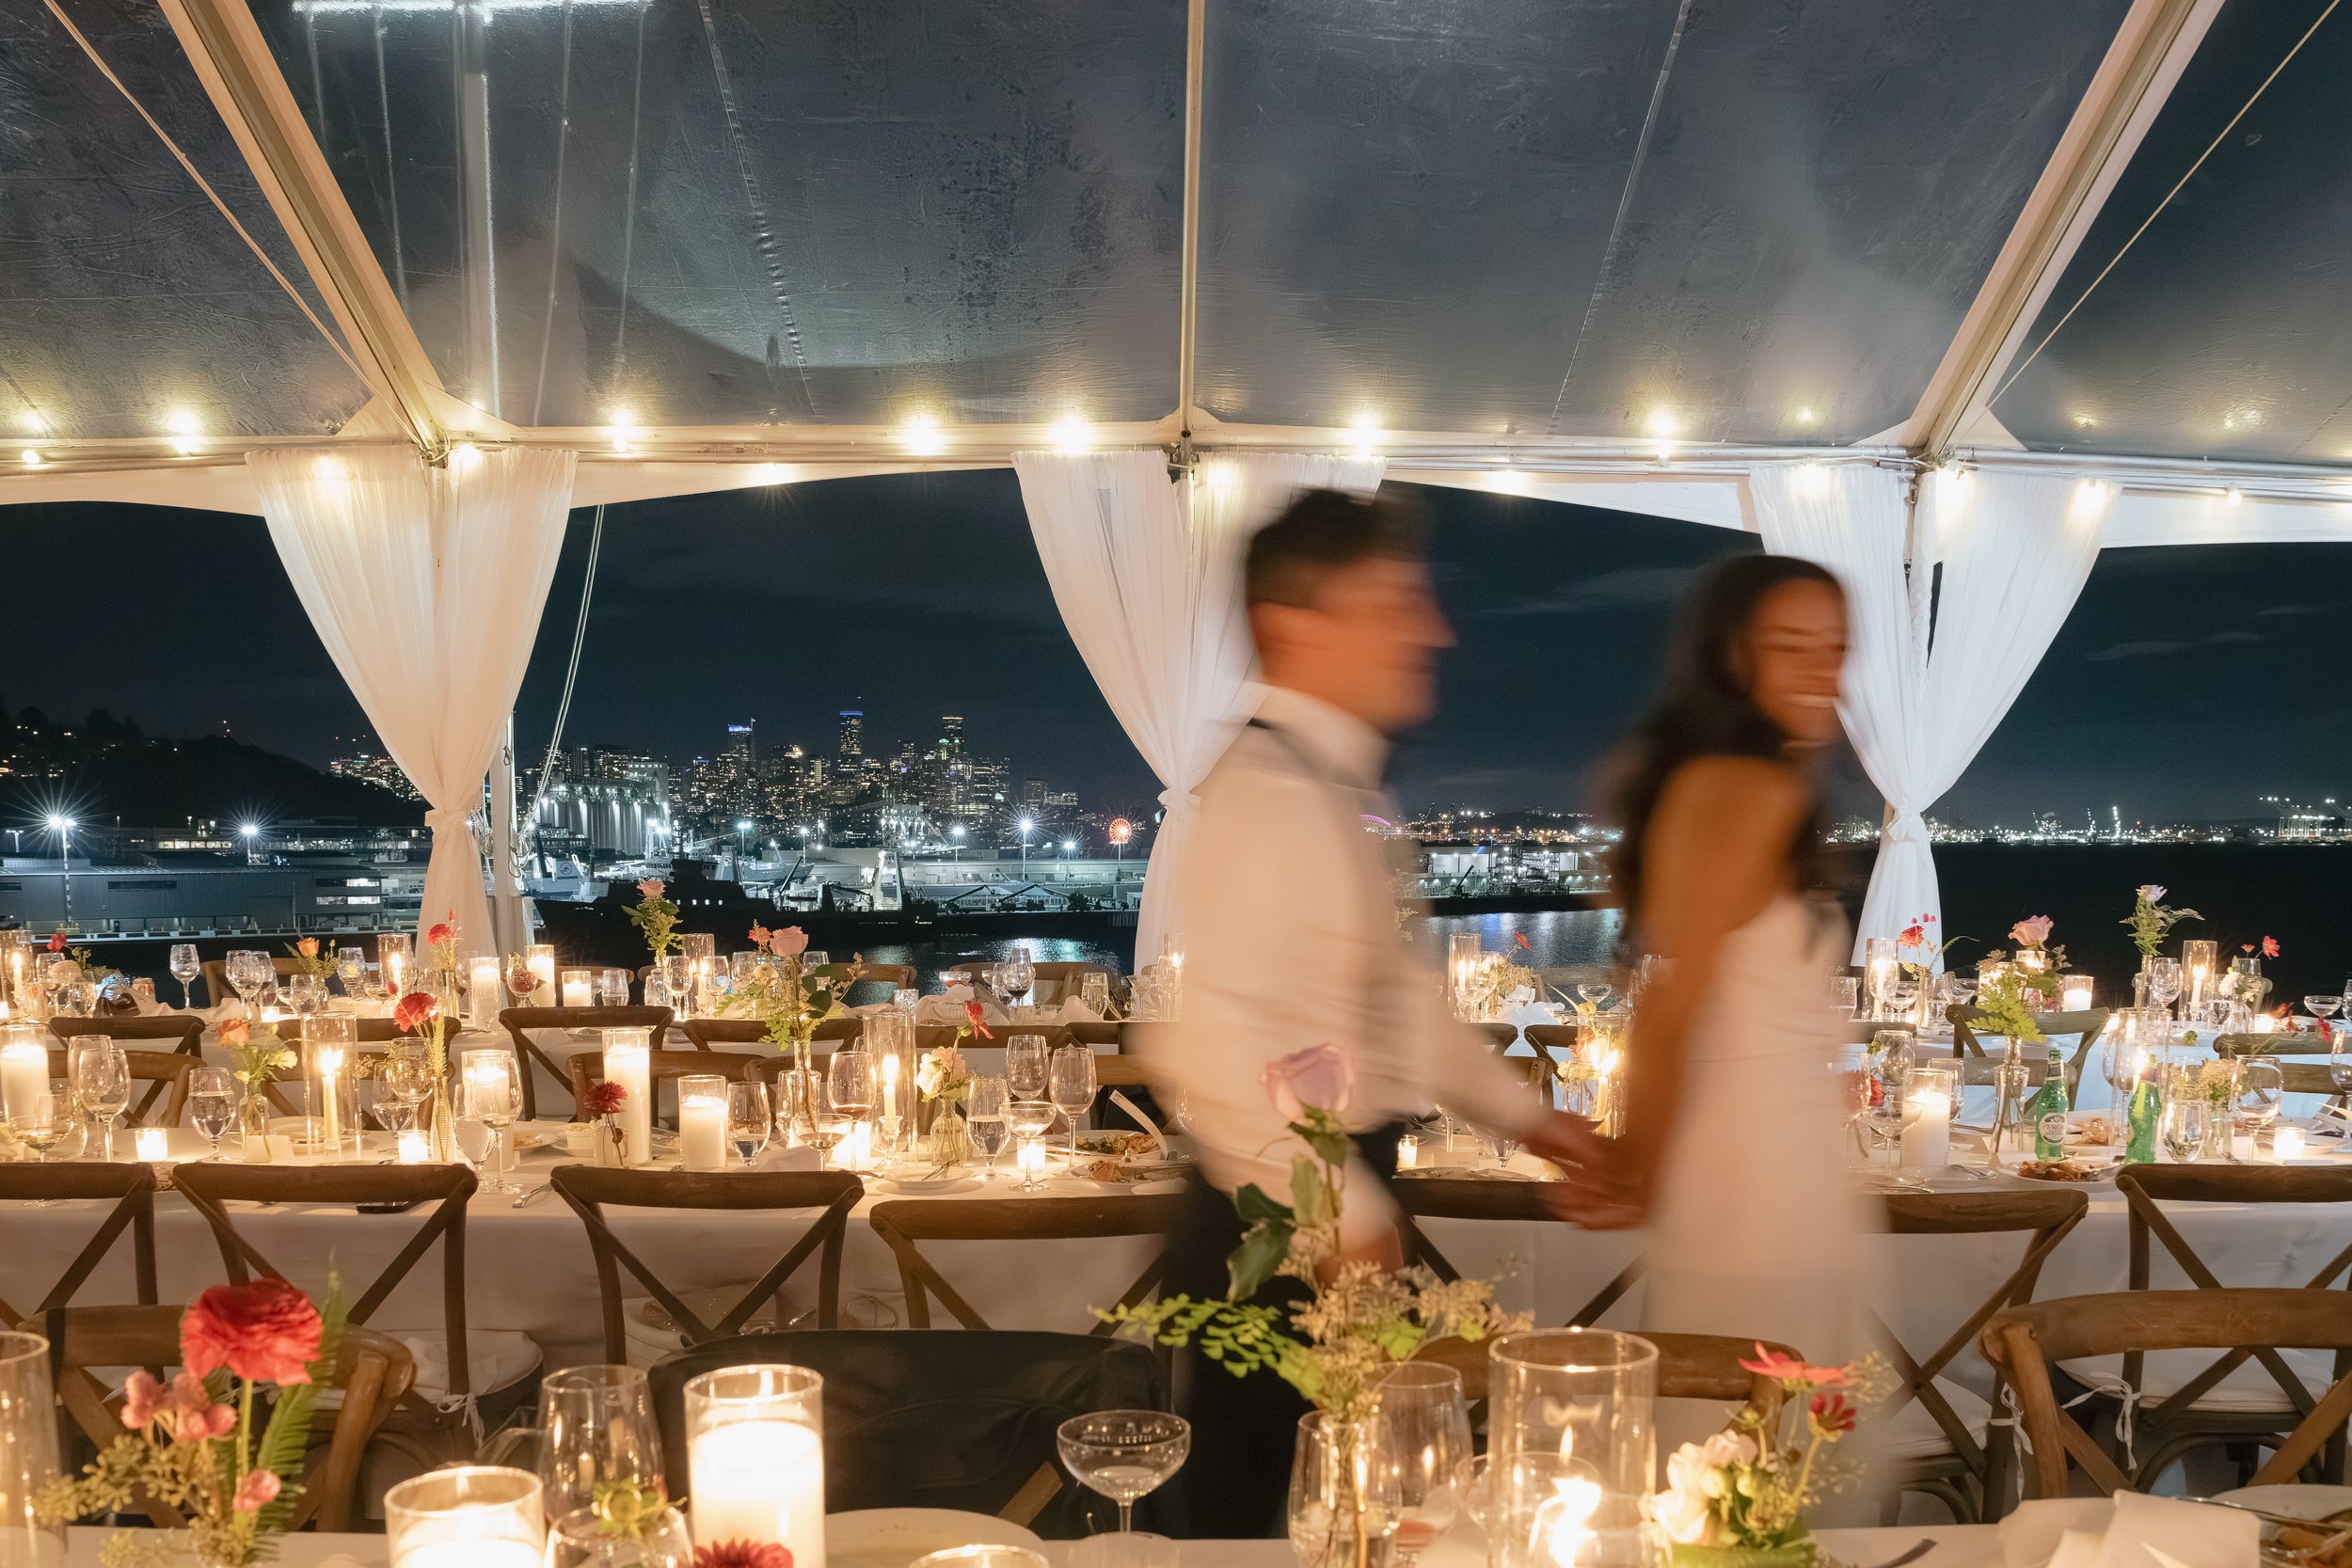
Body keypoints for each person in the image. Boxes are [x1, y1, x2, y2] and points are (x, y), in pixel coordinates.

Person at [1145, 487, 1583, 1536]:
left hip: (1326, 1205)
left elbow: (1393, 1003)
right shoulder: (1269, 795)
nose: (1432, 627)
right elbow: (1205, 1044)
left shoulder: (1332, 789)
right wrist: (1352, 1216)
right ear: (1296, 625)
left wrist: (1533, 1120)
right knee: (1280, 1520)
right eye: (1396, 600)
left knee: (1353, 1517)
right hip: (1286, 1229)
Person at [1549, 552, 1868, 1370]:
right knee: (1751, 1453)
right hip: (1753, 1181)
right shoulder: (1743, 788)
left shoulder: (1750, 783)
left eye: (1835, 647)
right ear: (1732, 655)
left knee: (1762, 1453)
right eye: (1791, 645)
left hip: (1779, 1166)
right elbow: (1670, 1004)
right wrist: (1636, 1171)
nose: (1822, 671)